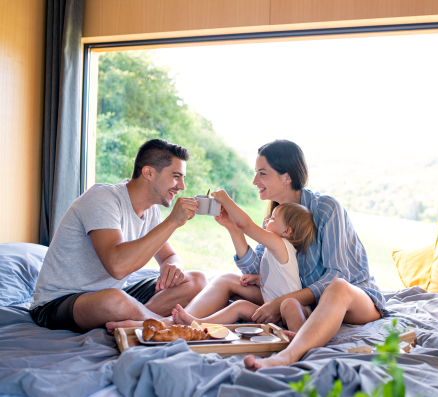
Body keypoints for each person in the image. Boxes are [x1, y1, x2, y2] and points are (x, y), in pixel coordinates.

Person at [107, 139, 385, 370]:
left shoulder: (326, 208)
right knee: (227, 279)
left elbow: (338, 276)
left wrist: (281, 302)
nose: (254, 180)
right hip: (299, 299)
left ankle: (287, 356)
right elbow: (256, 270)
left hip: (353, 300)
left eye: (262, 173)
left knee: (337, 287)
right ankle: (172, 325)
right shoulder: (276, 217)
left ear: (286, 176)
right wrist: (232, 229)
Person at [30, 139, 207, 333]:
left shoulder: (151, 212)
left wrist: (172, 267)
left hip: (114, 294)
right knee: (115, 301)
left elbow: (168, 256)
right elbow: (117, 266)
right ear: (148, 172)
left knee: (196, 281)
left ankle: (139, 321)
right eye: (176, 176)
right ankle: (164, 325)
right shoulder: (102, 198)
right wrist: (172, 222)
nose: (181, 186)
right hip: (58, 303)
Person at [172, 193, 316, 335]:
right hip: (272, 311)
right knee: (240, 306)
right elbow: (278, 278)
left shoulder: (281, 244)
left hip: (296, 311)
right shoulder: (274, 249)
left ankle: (299, 336)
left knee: (289, 304)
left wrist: (226, 200)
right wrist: (258, 279)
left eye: (272, 218)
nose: (266, 221)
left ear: (286, 231)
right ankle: (199, 324)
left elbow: (246, 226)